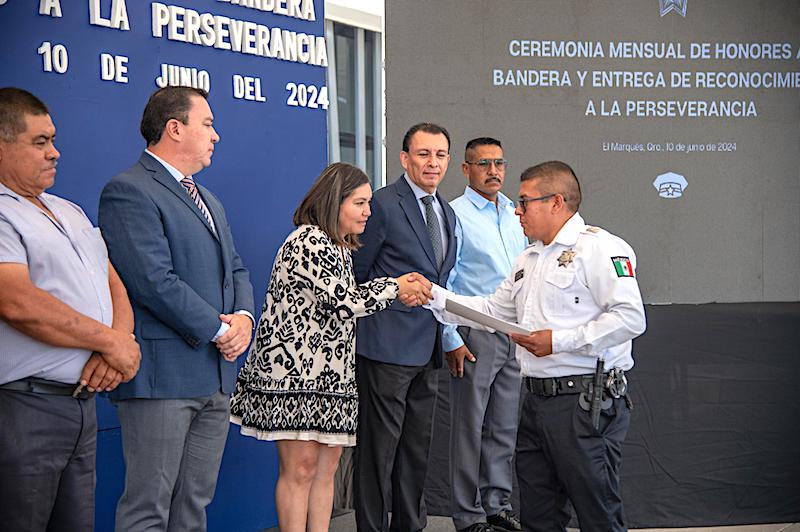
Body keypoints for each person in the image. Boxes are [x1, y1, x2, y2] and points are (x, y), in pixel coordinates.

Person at [423, 161, 646, 532]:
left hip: (584, 401)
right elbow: (493, 311)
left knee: (598, 513)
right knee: (539, 515)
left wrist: (558, 342)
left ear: (556, 202)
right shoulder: (528, 258)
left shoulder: (600, 248)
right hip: (536, 403)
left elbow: (630, 319)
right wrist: (434, 296)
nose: (516, 210)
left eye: (525, 202)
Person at [231, 162, 432, 532]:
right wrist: (395, 286)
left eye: (369, 203)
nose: (368, 212)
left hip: (333, 377)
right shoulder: (308, 241)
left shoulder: (340, 247)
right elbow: (344, 300)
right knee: (301, 470)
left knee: (327, 470)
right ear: (333, 201)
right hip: (294, 377)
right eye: (359, 203)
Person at [98, 86, 255, 532]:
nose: (216, 135)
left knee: (193, 509)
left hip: (215, 376)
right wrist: (219, 330)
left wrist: (244, 319)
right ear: (174, 128)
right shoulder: (129, 190)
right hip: (162, 379)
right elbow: (152, 280)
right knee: (148, 510)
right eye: (207, 124)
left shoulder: (210, 199)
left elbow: (236, 269)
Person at [0, 87, 140, 532]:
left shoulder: (70, 210)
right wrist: (111, 344)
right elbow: (17, 302)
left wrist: (118, 345)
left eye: (53, 139)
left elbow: (111, 281)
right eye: (39, 142)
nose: (55, 152)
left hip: (81, 406)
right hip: (25, 408)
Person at [353, 122, 458, 532]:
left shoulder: (445, 212)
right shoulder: (382, 204)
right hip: (384, 348)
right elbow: (357, 273)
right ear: (404, 158)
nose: (432, 163)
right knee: (378, 452)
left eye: (440, 155)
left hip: (427, 349)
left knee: (416, 451)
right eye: (423, 154)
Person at [443, 137, 527, 532]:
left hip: (515, 334)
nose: (493, 171)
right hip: (474, 332)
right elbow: (445, 278)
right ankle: (468, 514)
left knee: (504, 425)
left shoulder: (515, 213)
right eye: (483, 164)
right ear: (466, 169)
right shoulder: (454, 214)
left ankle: (496, 504)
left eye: (499, 163)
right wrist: (450, 337)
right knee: (469, 427)